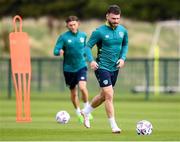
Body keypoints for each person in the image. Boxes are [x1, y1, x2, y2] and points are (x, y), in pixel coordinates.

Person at [81, 5, 128, 133]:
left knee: (103, 96)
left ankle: (85, 112)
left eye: (118, 18)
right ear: (107, 16)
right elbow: (87, 47)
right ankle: (114, 126)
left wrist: (123, 58)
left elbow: (125, 44)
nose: (116, 21)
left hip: (115, 68)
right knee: (109, 95)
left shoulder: (123, 31)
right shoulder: (99, 32)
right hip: (101, 67)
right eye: (113, 18)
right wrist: (91, 61)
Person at [53, 16, 93, 123]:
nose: (72, 27)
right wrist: (59, 52)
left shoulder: (83, 35)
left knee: (82, 87)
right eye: (70, 25)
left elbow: (86, 48)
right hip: (69, 69)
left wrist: (90, 59)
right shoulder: (63, 37)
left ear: (78, 24)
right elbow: (55, 50)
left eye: (74, 24)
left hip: (81, 66)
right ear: (67, 26)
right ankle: (78, 112)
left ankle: (87, 110)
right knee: (74, 93)